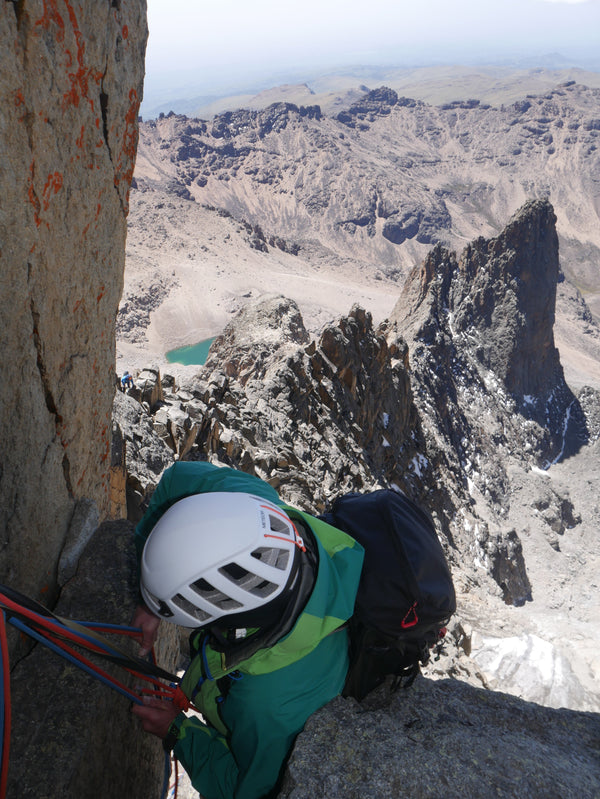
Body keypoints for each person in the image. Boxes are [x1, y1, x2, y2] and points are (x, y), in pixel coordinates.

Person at [131, 460, 364, 799]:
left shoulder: (268, 709)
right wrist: (148, 599)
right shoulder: (257, 513)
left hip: (282, 693)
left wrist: (178, 733)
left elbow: (246, 791)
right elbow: (178, 480)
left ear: (231, 620)